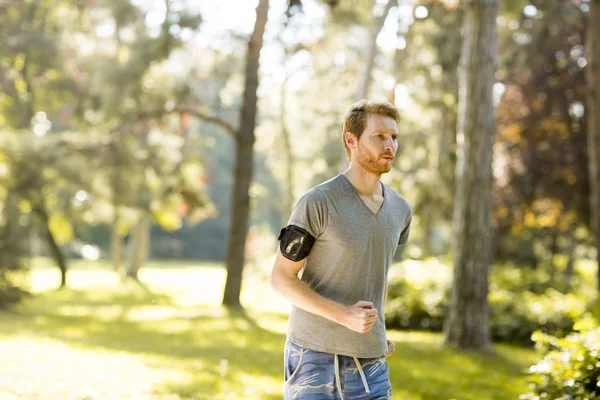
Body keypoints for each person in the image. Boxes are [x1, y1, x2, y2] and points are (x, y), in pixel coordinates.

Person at [270, 99, 412, 399]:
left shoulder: (400, 210)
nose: (390, 145)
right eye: (379, 136)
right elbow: (281, 278)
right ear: (351, 139)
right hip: (313, 358)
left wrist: (379, 331)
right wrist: (343, 315)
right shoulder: (317, 202)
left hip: (371, 362)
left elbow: (377, 273)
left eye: (394, 137)